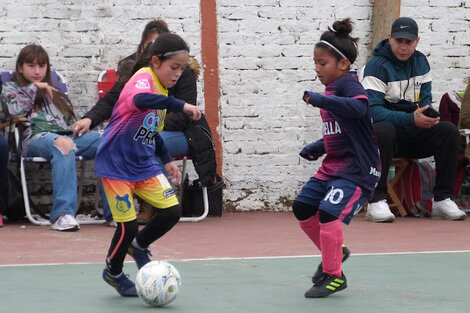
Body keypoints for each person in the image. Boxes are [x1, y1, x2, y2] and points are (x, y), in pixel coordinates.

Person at [72, 18, 220, 222]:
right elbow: (112, 100)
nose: (155, 50)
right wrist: (89, 119)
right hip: (146, 130)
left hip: (182, 133)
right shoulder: (138, 72)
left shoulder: (182, 72)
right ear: (144, 49)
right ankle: (116, 213)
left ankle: (150, 205)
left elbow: (183, 116)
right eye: (151, 46)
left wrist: (147, 127)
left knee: (148, 140)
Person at [96, 33, 201, 297]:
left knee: (171, 212)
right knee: (127, 225)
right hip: (116, 165)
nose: (177, 74)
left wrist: (166, 161)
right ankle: (113, 272)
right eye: (173, 67)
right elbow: (141, 100)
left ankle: (139, 246)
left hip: (143, 164)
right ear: (155, 61)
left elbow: (150, 131)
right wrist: (181, 105)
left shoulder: (163, 89)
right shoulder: (144, 79)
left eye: (182, 69)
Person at [292, 19, 381, 298]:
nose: (317, 69)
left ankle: (334, 276)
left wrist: (319, 99)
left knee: (329, 213)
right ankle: (336, 253)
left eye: (322, 63)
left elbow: (358, 108)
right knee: (303, 207)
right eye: (315, 63)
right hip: (333, 166)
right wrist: (319, 146)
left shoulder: (349, 85)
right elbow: (342, 131)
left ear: (342, 64)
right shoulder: (333, 89)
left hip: (358, 170)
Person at [361, 17, 466, 222]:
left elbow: (425, 102)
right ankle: (376, 201)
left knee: (449, 131)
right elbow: (372, 112)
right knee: (383, 130)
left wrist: (428, 118)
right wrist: (411, 119)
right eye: (399, 40)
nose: (403, 46)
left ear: (416, 41)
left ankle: (442, 199)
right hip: (386, 137)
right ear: (390, 38)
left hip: (412, 131)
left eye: (408, 42)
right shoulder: (375, 67)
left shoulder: (421, 62)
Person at [0, 44, 112, 231]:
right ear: (20, 67)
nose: (37, 71)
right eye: (31, 66)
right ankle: (63, 214)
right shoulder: (10, 88)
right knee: (63, 144)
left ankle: (116, 212)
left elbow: (68, 121)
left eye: (41, 66)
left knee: (109, 142)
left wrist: (77, 127)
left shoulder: (55, 92)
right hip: (35, 138)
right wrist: (36, 88)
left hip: (67, 135)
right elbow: (12, 112)